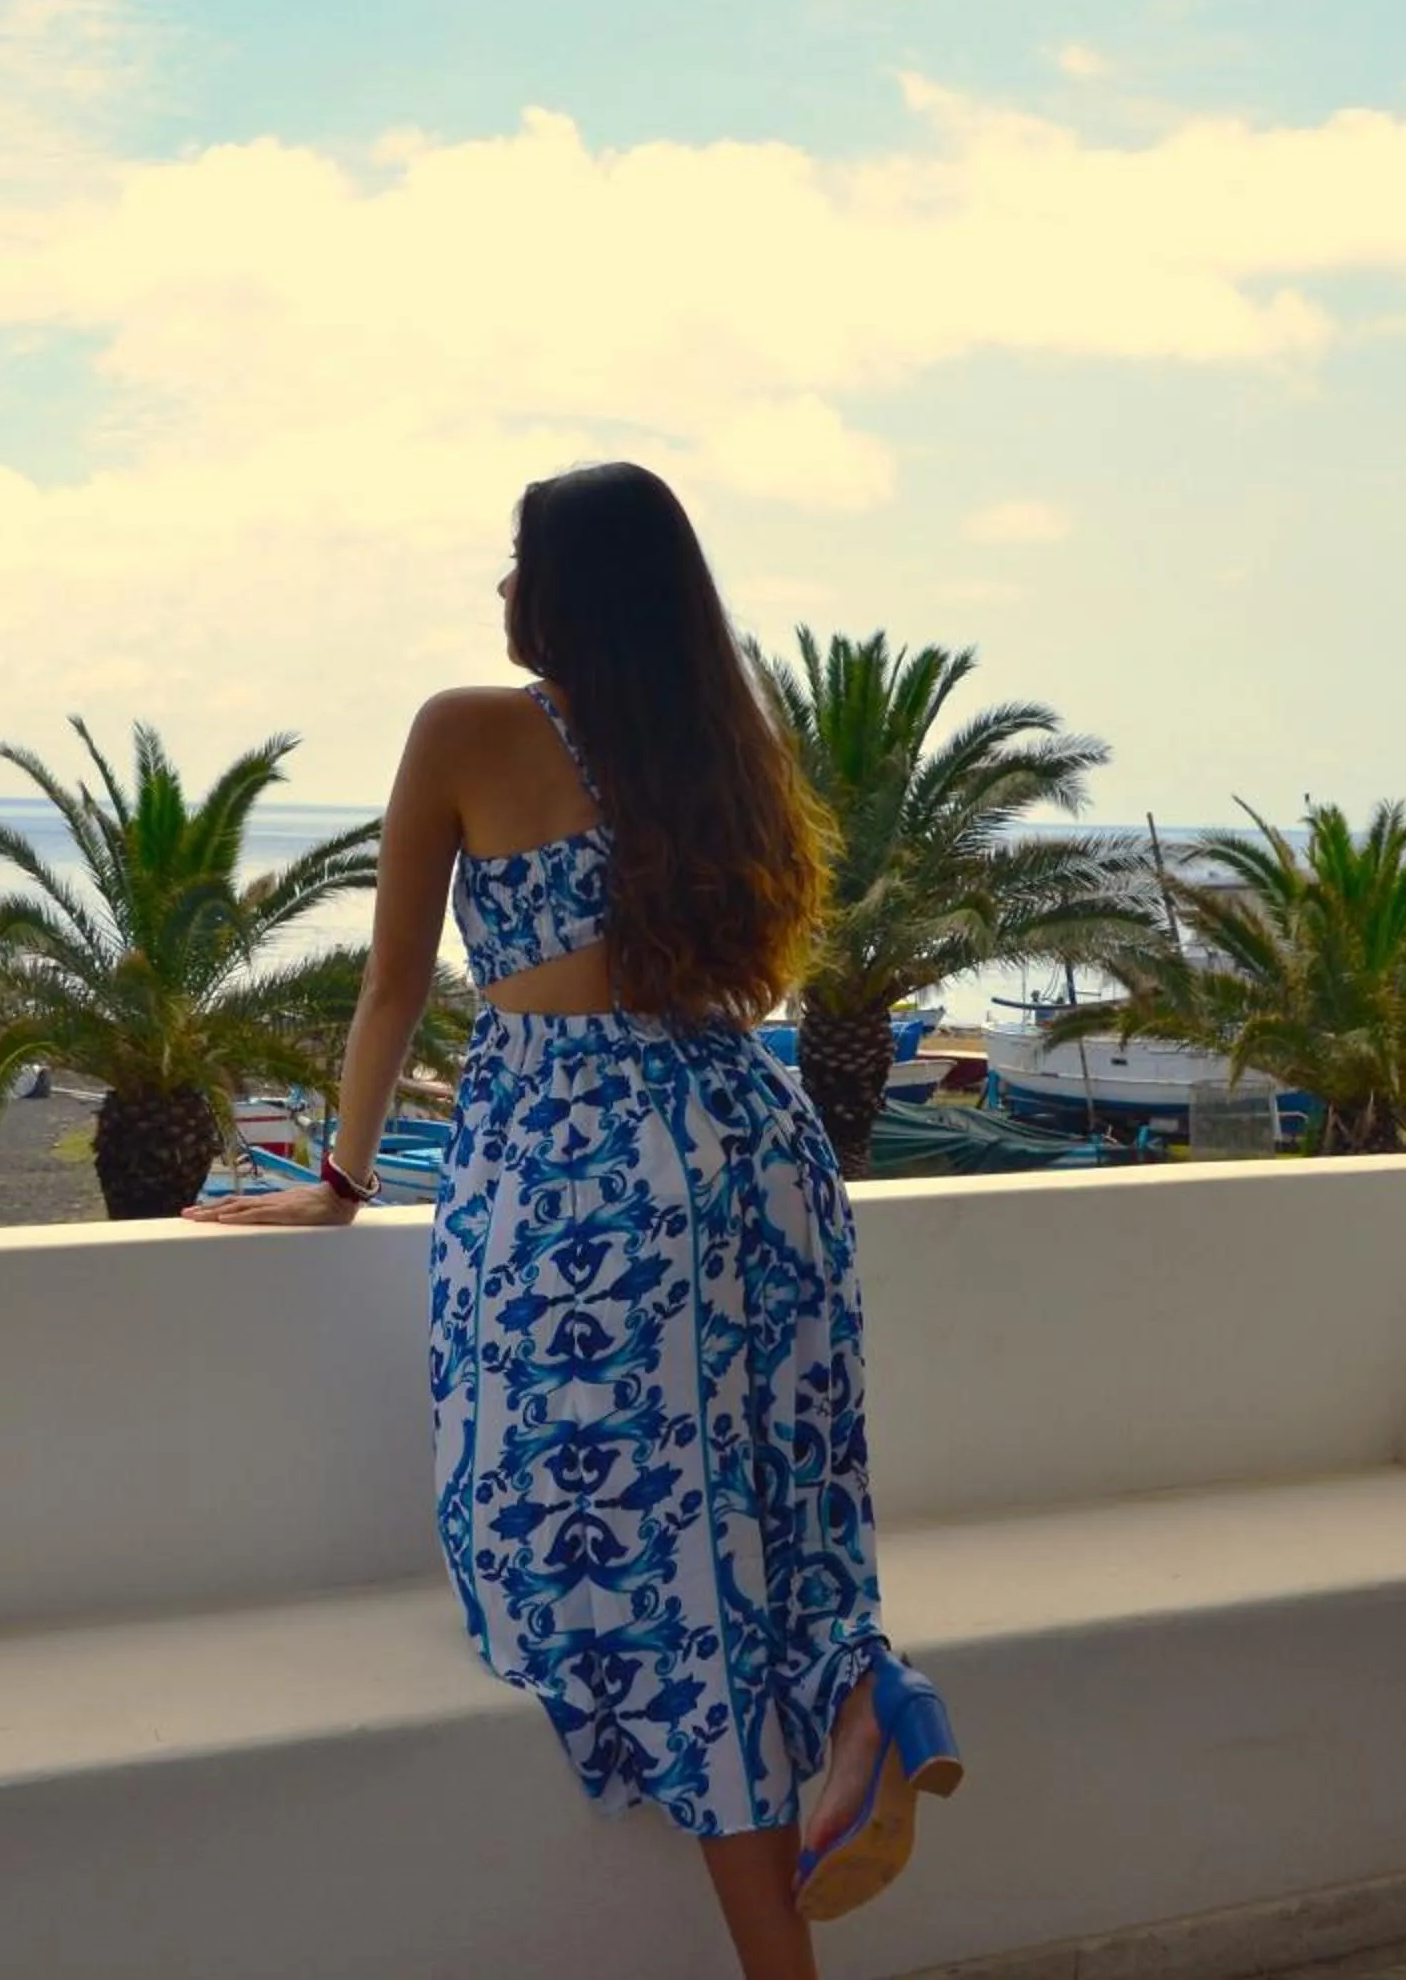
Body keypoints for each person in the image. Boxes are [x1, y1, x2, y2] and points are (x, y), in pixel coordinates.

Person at [187, 462, 960, 1978]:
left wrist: (341, 1181)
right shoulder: (727, 745)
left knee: (630, 1574)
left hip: (579, 1171)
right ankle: (864, 1698)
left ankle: (777, 1950)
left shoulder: (465, 731)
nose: (496, 587)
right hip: (753, 1153)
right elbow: (743, 984)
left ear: (562, 589)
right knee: (766, 1523)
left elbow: (397, 983)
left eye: (514, 559)